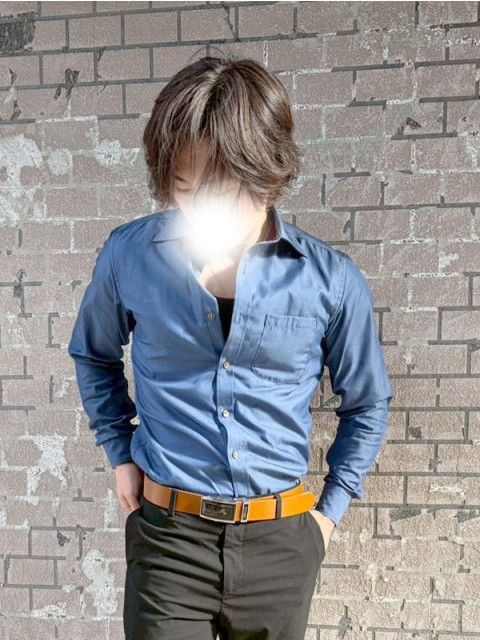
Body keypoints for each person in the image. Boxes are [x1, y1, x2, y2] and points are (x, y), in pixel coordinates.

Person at [68, 53, 394, 640]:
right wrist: (119, 452)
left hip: (281, 542)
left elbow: (367, 403)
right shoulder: (129, 255)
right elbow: (93, 354)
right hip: (169, 540)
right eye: (183, 188)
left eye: (219, 191)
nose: (199, 209)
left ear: (268, 170)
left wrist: (327, 517)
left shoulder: (331, 280)